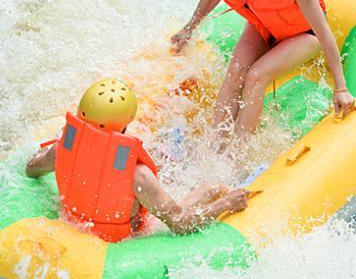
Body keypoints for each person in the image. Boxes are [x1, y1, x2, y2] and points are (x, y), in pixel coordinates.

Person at [170, 0, 356, 142]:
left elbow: (324, 32)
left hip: (305, 35)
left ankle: (238, 153)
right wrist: (189, 28)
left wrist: (341, 88)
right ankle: (216, 144)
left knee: (256, 75)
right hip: (266, 26)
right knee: (236, 70)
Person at [25, 78, 248, 239]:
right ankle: (220, 191)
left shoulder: (61, 149)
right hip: (123, 242)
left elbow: (31, 169)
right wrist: (225, 204)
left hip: (74, 226)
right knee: (213, 188)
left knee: (206, 185)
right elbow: (179, 224)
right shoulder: (137, 175)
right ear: (125, 125)